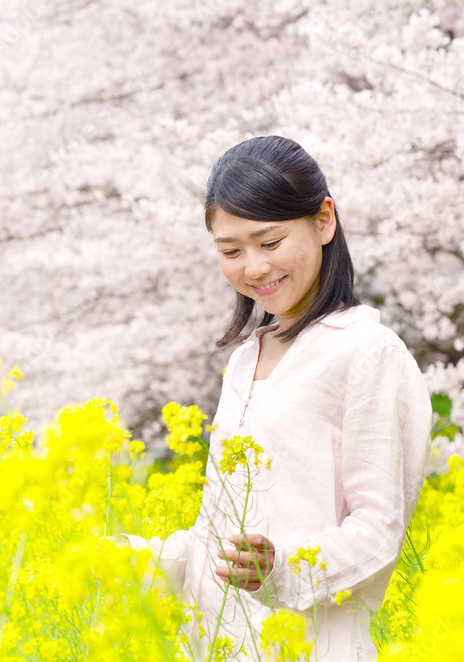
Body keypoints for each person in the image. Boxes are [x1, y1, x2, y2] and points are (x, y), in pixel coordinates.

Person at [120, 135, 432, 661]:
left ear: (324, 220)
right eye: (231, 250)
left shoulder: (368, 352)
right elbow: (216, 538)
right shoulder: (245, 360)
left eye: (270, 242)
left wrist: (279, 570)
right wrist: (123, 561)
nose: (255, 267)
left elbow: (378, 532)